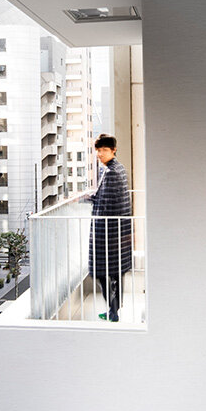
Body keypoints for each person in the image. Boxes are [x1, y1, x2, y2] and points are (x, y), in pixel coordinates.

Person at [89, 134, 132, 322]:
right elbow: (104, 197)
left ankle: (113, 312)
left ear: (113, 150)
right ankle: (113, 310)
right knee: (115, 272)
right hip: (118, 231)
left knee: (101, 271)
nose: (100, 154)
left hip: (108, 231)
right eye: (98, 150)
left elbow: (106, 204)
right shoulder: (116, 169)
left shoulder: (112, 172)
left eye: (104, 150)